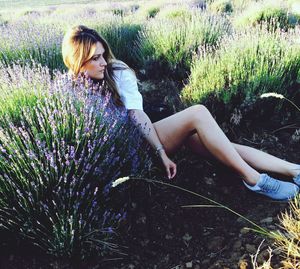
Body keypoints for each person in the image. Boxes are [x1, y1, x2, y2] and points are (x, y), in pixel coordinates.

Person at [62, 25, 300, 201]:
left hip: (146, 135)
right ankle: (255, 179)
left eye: (103, 54)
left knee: (222, 146)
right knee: (200, 118)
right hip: (128, 149)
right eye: (95, 58)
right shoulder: (68, 91)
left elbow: (137, 115)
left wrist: (161, 153)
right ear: (78, 61)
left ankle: (291, 171)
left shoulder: (117, 71)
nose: (103, 62)